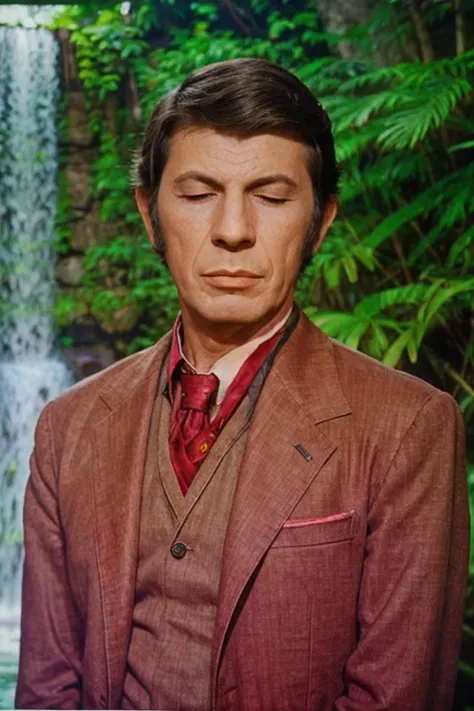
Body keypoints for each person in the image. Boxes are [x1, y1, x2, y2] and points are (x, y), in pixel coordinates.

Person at [15, 58, 469, 711]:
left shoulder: (408, 427)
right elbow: (46, 688)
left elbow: (396, 696)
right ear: (148, 214)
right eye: (198, 195)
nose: (233, 230)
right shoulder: (68, 426)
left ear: (321, 220)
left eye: (272, 197)